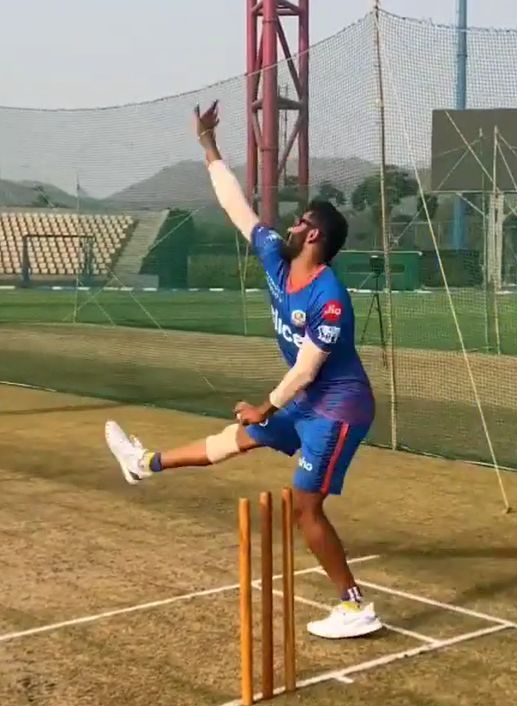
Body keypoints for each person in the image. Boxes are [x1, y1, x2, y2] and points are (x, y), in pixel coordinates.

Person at [104, 100, 383, 640]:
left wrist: (265, 406)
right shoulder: (277, 260)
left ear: (314, 237)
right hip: (306, 403)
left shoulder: (330, 297)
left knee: (306, 507)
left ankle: (355, 607)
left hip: (338, 408)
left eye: (301, 221)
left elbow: (306, 369)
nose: (290, 224)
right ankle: (144, 463)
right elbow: (236, 207)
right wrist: (207, 144)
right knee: (236, 439)